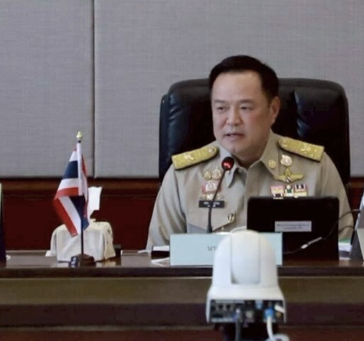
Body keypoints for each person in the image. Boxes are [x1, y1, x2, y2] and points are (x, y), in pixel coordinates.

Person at [147, 55, 353, 248]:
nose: (232, 120)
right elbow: (158, 260)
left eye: (245, 108)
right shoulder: (183, 177)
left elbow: (344, 253)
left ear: (273, 110)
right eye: (221, 108)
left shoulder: (316, 169)